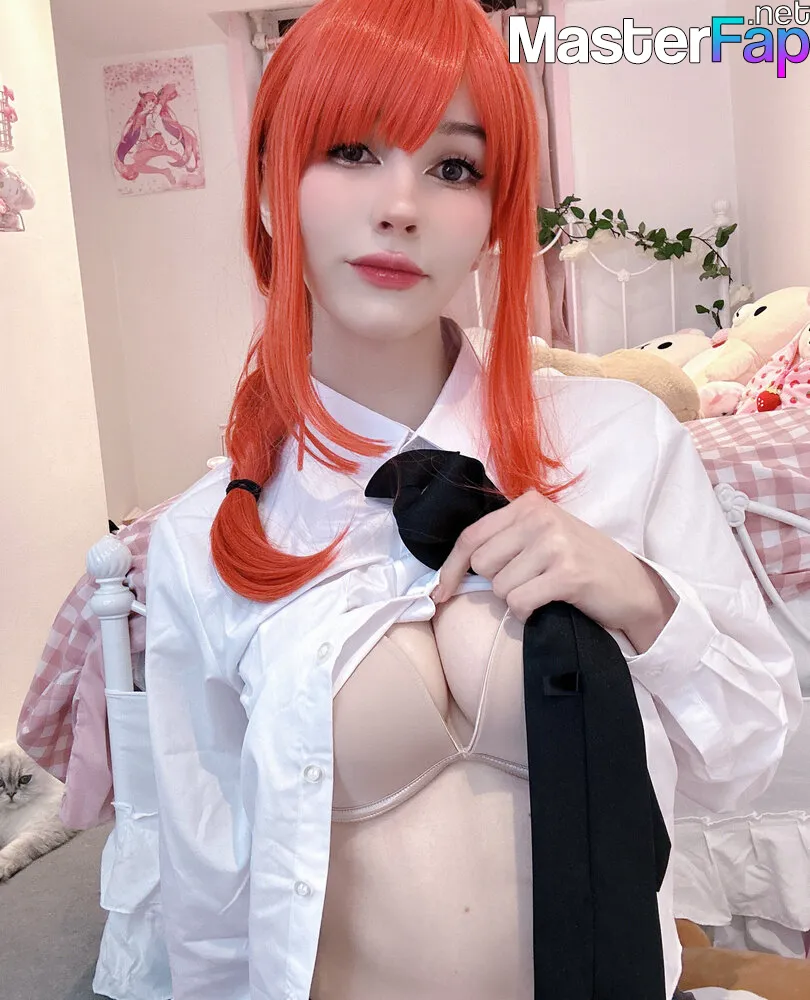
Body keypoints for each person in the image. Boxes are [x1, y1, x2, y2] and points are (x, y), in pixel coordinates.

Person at [144, 0, 802, 998]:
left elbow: (745, 759)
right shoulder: (202, 538)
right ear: (274, 191)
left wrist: (641, 598)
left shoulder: (621, 442)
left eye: (454, 167)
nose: (401, 204)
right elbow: (205, 899)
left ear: (494, 218)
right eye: (350, 151)